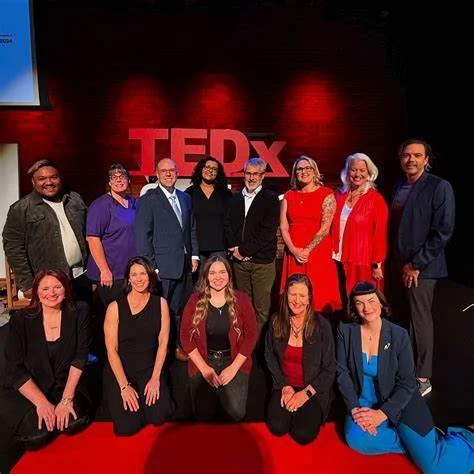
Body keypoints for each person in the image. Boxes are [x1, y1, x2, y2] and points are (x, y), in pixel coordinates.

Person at [336, 281, 473, 473]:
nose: (367, 308)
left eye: (371, 301)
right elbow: (342, 373)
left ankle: (464, 440)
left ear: (381, 303)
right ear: (354, 306)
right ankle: (415, 446)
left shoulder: (398, 335)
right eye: (360, 303)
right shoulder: (346, 331)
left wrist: (381, 415)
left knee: (435, 467)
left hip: (400, 405)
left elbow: (408, 383)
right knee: (355, 437)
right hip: (364, 405)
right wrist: (355, 409)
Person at [388, 139, 455, 396]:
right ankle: (405, 368)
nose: (411, 160)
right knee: (402, 319)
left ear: (427, 160)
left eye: (417, 155)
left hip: (421, 269)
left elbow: (443, 230)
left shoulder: (439, 186)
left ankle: (423, 376)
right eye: (407, 155)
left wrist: (416, 264)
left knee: (420, 322)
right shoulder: (399, 186)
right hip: (398, 266)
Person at [0, 269, 91, 452]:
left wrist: (66, 399)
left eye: (58, 287)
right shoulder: (20, 320)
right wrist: (41, 402)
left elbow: (80, 358)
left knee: (71, 423)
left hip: (64, 383)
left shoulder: (79, 311)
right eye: (46, 288)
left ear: (66, 290)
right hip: (32, 385)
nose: (52, 293)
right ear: (36, 292)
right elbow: (15, 369)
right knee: (37, 435)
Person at [134, 158, 199, 361]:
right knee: (158, 311)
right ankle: (156, 351)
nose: (169, 174)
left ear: (177, 173)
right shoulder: (148, 199)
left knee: (178, 310)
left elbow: (191, 229)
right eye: (164, 171)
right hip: (161, 268)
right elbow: (143, 235)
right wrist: (151, 267)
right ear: (157, 174)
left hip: (183, 264)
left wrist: (194, 255)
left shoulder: (185, 198)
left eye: (172, 170)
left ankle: (175, 346)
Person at [180, 256, 258, 421]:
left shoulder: (242, 299)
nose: (218, 277)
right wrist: (205, 369)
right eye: (213, 273)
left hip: (233, 359)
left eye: (222, 272)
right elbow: (185, 336)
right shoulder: (195, 300)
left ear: (229, 275)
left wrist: (234, 368)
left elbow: (251, 334)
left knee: (235, 413)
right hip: (204, 359)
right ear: (206, 276)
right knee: (204, 415)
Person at [2, 159, 91, 304]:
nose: (48, 182)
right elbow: (13, 248)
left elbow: (89, 233)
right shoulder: (21, 209)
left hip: (80, 277)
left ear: (60, 178)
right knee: (52, 324)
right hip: (47, 284)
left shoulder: (74, 199)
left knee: (81, 322)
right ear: (33, 182)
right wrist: (26, 283)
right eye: (42, 179)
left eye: (53, 177)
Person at [103, 256, 172, 435]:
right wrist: (124, 386)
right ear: (128, 278)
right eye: (134, 274)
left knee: (158, 417)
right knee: (128, 427)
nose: (139, 278)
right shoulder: (114, 307)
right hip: (121, 370)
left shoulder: (161, 304)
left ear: (150, 276)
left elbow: (163, 342)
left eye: (143, 273)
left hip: (149, 368)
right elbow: (111, 350)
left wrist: (156, 377)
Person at [265, 274, 335, 445]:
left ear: (309, 297)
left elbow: (329, 368)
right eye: (292, 295)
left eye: (302, 295)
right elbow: (269, 356)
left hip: (312, 388)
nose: (297, 300)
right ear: (286, 296)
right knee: (277, 426)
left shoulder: (322, 325)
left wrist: (305, 394)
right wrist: (284, 386)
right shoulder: (276, 321)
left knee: (303, 434)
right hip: (285, 384)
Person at [224, 157, 280, 334]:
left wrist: (244, 250)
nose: (251, 177)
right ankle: (245, 348)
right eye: (248, 173)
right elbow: (228, 226)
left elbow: (267, 232)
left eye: (256, 174)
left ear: (263, 176)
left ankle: (258, 350)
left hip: (262, 263)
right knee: (243, 306)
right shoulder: (234, 199)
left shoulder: (270, 199)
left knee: (262, 309)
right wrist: (236, 250)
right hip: (239, 263)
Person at [280, 156, 341, 313]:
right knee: (294, 297)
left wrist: (307, 249)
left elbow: (325, 227)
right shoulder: (288, 195)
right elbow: (283, 227)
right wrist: (294, 250)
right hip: (294, 253)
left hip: (317, 252)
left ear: (315, 172)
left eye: (308, 168)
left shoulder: (326, 194)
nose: (303, 172)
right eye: (299, 169)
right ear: (295, 173)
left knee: (319, 295)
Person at [332, 153, 388, 302]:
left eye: (362, 170)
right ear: (347, 171)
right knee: (343, 301)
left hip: (363, 261)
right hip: (337, 259)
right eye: (353, 170)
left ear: (369, 173)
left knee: (362, 301)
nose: (357, 174)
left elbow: (380, 234)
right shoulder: (340, 196)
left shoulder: (376, 200)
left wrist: (377, 264)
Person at [86, 163, 137, 308]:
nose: (119, 180)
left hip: (128, 272)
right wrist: (104, 270)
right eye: (114, 177)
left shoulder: (133, 203)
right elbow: (92, 238)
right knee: (111, 315)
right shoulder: (100, 205)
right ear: (109, 182)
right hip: (111, 274)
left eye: (123, 177)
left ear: (129, 180)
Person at [185, 156, 233, 283]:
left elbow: (230, 221)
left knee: (218, 282)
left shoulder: (225, 194)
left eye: (214, 169)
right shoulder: (189, 194)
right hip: (197, 249)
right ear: (201, 169)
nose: (210, 170)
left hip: (219, 247)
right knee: (199, 285)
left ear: (218, 173)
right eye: (207, 167)